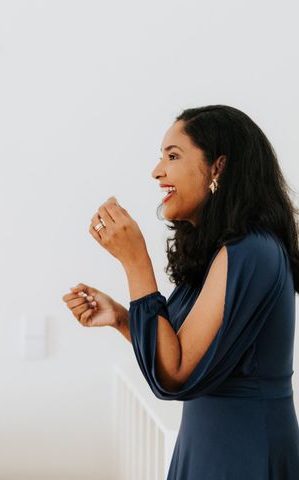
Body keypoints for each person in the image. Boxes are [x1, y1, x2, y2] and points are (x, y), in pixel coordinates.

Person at [62, 105, 299, 478]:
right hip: (211, 445)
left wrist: (135, 261)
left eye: (172, 156)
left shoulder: (251, 251)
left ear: (218, 168)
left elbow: (174, 376)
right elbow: (183, 352)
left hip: (244, 454)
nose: (157, 171)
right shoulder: (229, 250)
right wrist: (124, 320)